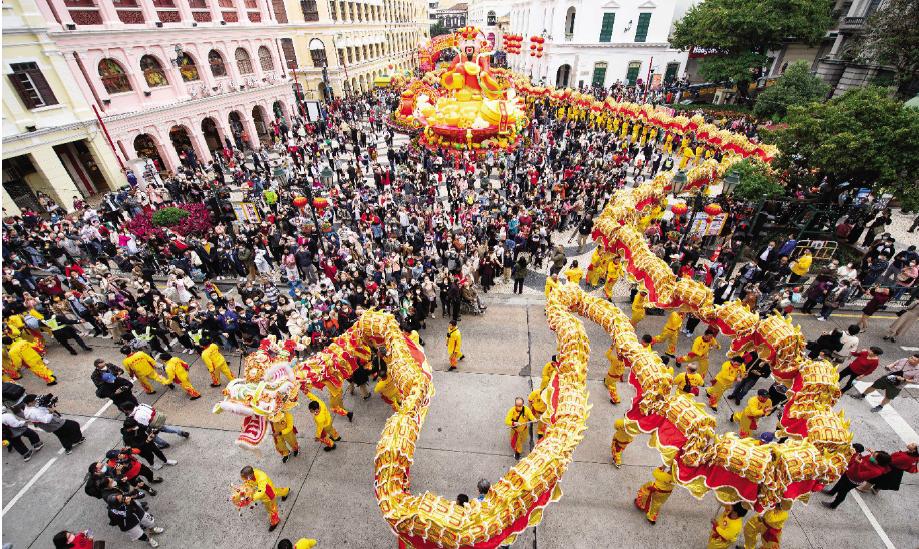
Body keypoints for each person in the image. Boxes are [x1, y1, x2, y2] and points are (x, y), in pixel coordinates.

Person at [821, 446, 890, 509]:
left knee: (842, 492)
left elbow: (859, 476)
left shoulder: (876, 471)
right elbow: (863, 457)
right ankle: (832, 492)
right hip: (848, 472)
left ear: (878, 462)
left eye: (873, 456)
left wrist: (857, 464)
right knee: (839, 483)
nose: (871, 455)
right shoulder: (873, 459)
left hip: (852, 481)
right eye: (873, 453)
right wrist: (869, 453)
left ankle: (834, 505)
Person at [19, 393, 84, 454]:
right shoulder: (34, 412)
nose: (37, 401)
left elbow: (40, 410)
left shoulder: (27, 409)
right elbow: (46, 420)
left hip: (48, 427)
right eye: (35, 401)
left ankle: (68, 448)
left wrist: (46, 406)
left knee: (61, 434)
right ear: (30, 403)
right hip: (53, 423)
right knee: (74, 425)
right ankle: (77, 439)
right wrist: (50, 412)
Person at [852, 353, 919, 411]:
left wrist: (904, 379)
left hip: (897, 385)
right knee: (874, 386)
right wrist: (890, 366)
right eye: (911, 357)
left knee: (888, 396)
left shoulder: (917, 370)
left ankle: (880, 406)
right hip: (888, 377)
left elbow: (915, 381)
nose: (911, 359)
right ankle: (862, 395)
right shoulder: (904, 360)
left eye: (914, 360)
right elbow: (896, 363)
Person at [240, 465, 289, 531]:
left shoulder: (262, 478)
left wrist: (252, 498)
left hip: (268, 494)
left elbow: (261, 491)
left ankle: (275, 521)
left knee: (271, 508)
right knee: (276, 492)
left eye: (245, 477)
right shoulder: (251, 474)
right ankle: (286, 491)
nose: (244, 479)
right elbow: (247, 483)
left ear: (250, 475)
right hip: (268, 490)